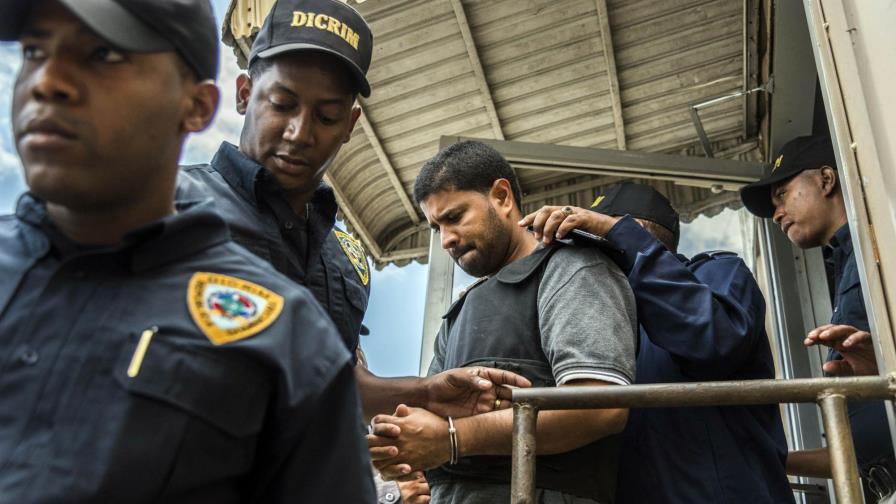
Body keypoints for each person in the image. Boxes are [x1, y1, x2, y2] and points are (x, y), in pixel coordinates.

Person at [0, 0, 374, 501]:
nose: (49, 81)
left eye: (105, 55)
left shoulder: (300, 318)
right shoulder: (179, 206)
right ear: (243, 95)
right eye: (33, 51)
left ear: (197, 106)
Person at [176, 0, 529, 421]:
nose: (300, 133)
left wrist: (425, 393)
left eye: (327, 117)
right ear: (244, 95)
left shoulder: (345, 257)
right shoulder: (172, 204)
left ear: (350, 125)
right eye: (282, 104)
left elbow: (334, 384)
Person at [368, 140, 637, 503]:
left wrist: (453, 438)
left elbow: (601, 407)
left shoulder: (570, 269)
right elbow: (428, 428)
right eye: (436, 227)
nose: (446, 240)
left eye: (454, 217)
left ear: (502, 197)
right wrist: (400, 444)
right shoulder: (461, 311)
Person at [521, 182, 793, 503]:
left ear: (634, 232)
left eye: (597, 242)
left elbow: (714, 338)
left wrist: (621, 238)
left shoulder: (717, 272)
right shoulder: (597, 315)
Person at [741, 134, 895, 501]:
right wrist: (766, 457)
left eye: (782, 194)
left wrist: (882, 370)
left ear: (826, 180)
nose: (776, 214)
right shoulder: (845, 268)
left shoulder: (882, 248)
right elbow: (857, 451)